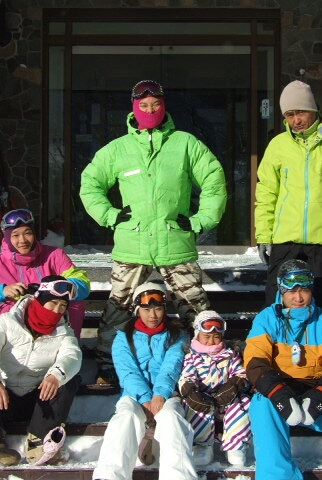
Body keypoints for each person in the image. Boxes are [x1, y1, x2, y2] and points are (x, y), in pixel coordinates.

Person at [80, 79, 227, 386]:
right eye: (144, 106)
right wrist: (110, 215)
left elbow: (214, 179)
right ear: (134, 109)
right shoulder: (118, 149)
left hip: (176, 243)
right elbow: (90, 184)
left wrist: (201, 220)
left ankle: (205, 364)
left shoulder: (185, 144)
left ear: (164, 106)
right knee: (119, 309)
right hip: (132, 245)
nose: (150, 110)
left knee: (195, 308)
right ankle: (107, 366)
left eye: (155, 105)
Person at [243, 259, 322, 480]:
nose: (298, 298)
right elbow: (255, 360)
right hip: (280, 390)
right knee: (262, 404)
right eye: (292, 291)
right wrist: (278, 394)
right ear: (281, 290)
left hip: (317, 391)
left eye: (304, 290)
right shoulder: (266, 319)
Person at [254, 80, 322, 313]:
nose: (296, 120)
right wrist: (264, 234)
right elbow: (266, 192)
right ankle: (274, 337)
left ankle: (320, 337)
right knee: (276, 302)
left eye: (301, 112)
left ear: (313, 110)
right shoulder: (278, 145)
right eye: (290, 115)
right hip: (286, 238)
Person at [0, 275, 83, 466]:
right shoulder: (7, 322)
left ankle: (39, 441)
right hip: (3, 398)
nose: (57, 311)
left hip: (38, 402)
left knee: (68, 379)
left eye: (63, 306)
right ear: (39, 300)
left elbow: (72, 356)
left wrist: (55, 376)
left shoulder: (64, 332)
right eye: (53, 303)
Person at [92, 281, 197, 480]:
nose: (153, 315)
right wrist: (145, 398)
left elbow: (172, 366)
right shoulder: (123, 337)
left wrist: (160, 394)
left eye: (158, 309)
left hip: (167, 393)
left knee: (172, 418)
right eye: (147, 310)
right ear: (137, 310)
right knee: (126, 417)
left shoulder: (178, 335)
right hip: (134, 394)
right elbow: (127, 371)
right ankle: (109, 475)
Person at [0, 208, 90, 338]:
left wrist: (58, 288)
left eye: (28, 233)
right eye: (15, 235)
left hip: (52, 327)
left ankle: (67, 342)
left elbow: (82, 284)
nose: (23, 240)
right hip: (14, 335)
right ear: (7, 238)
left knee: (74, 304)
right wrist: (1, 292)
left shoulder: (54, 256)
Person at [178, 310, 252, 467]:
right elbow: (187, 376)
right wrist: (190, 391)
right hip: (204, 400)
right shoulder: (192, 357)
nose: (212, 341)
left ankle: (235, 446)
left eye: (216, 337)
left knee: (244, 402)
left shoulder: (230, 355)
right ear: (197, 335)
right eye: (207, 337)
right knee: (194, 406)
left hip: (226, 399)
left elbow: (240, 373)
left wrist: (234, 385)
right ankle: (201, 445)